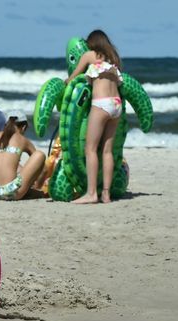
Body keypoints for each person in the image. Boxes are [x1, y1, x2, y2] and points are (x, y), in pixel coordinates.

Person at [65, 29, 124, 204]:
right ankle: (106, 193)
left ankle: (91, 193)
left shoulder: (90, 55)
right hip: (116, 104)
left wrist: (65, 83)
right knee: (107, 151)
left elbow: (74, 76)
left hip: (101, 104)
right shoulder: (114, 59)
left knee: (90, 149)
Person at [0, 110, 47, 201]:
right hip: (9, 193)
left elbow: (5, 163)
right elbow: (43, 168)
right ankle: (36, 188)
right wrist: (38, 183)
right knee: (39, 155)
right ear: (24, 127)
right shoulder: (22, 139)